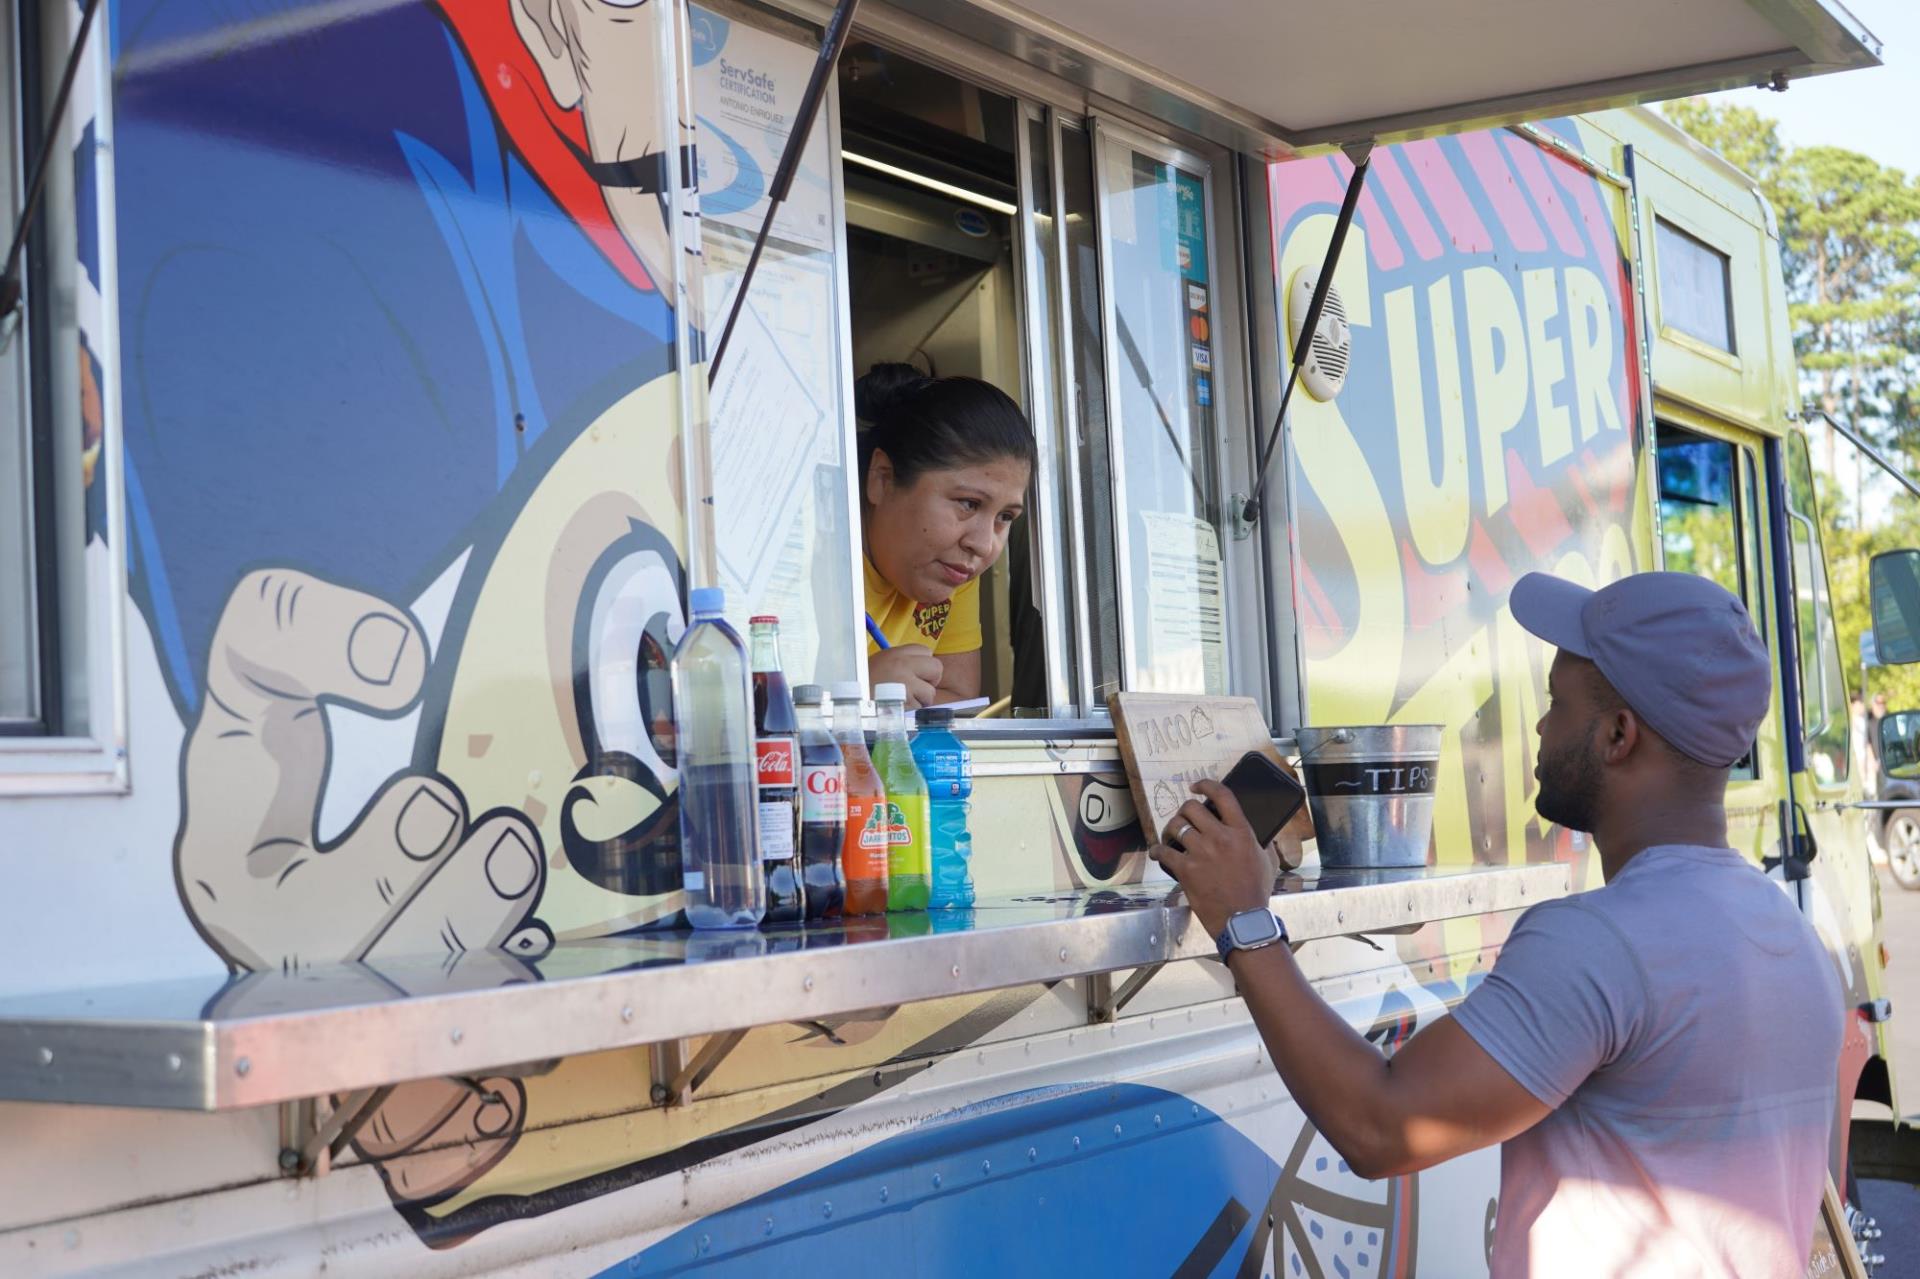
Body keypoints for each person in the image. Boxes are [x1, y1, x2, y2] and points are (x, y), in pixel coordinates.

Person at [1151, 571, 1843, 1277]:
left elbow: (1381, 1125)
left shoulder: (1599, 943)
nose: (1540, 727)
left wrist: (1244, 919)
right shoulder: (1797, 940)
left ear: (1618, 734)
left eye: (1556, 703)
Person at [856, 364, 1035, 708]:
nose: (983, 545)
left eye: (1005, 517)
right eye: (968, 503)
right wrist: (859, 694)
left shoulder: (954, 567)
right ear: (882, 478)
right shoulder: (804, 560)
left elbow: (956, 700)